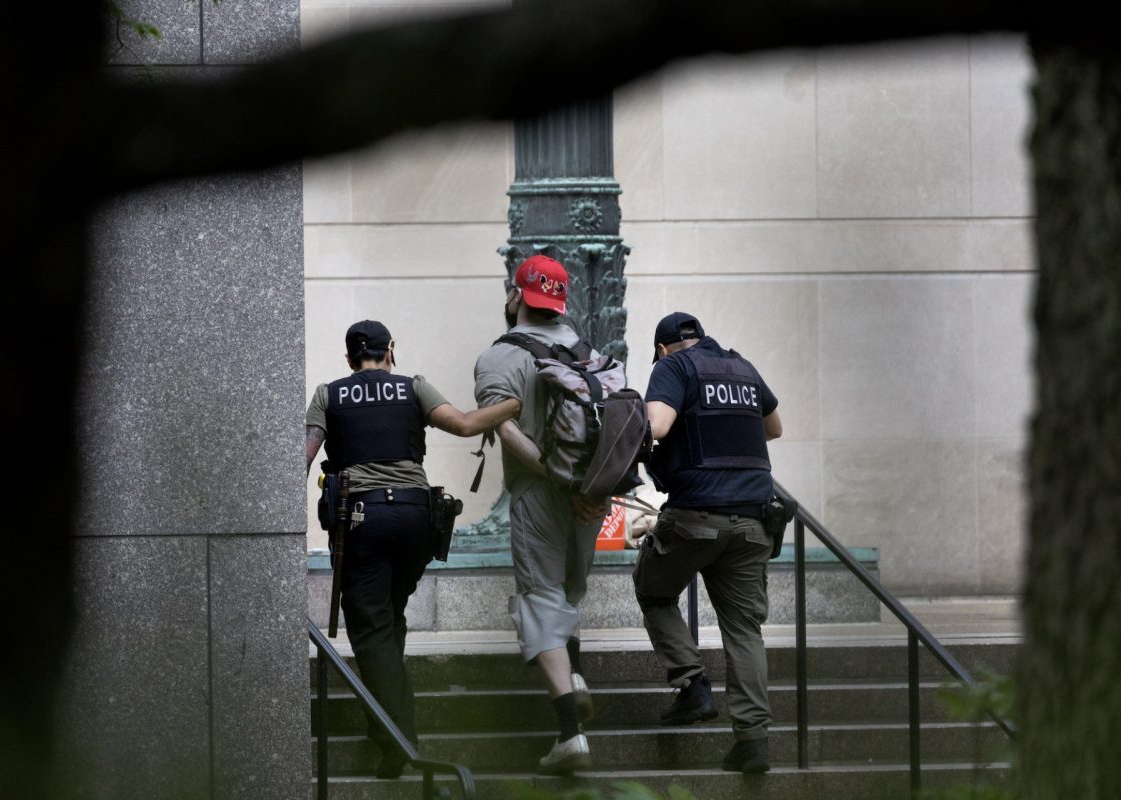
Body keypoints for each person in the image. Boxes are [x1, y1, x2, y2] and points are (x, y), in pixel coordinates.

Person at [305, 319, 520, 779]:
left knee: (371, 630)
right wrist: (514, 404)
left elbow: (303, 457)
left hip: (362, 521)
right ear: (391, 351)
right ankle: (382, 720)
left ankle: (398, 737)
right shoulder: (413, 387)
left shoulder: (329, 394)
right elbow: (463, 425)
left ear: (349, 359)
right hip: (414, 518)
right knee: (390, 619)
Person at [473, 255, 608, 775]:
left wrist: (559, 480)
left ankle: (570, 734)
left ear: (515, 295)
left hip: (540, 490)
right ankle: (574, 676)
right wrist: (590, 487)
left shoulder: (499, 358)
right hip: (590, 496)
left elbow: (506, 431)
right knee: (570, 592)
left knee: (540, 598)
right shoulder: (584, 349)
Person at [633, 311, 784, 774]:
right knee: (743, 630)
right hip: (756, 517)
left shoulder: (673, 367)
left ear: (661, 348)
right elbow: (773, 427)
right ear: (701, 337)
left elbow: (656, 426)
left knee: (654, 589)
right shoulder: (741, 366)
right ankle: (753, 742)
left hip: (696, 514)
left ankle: (692, 684)